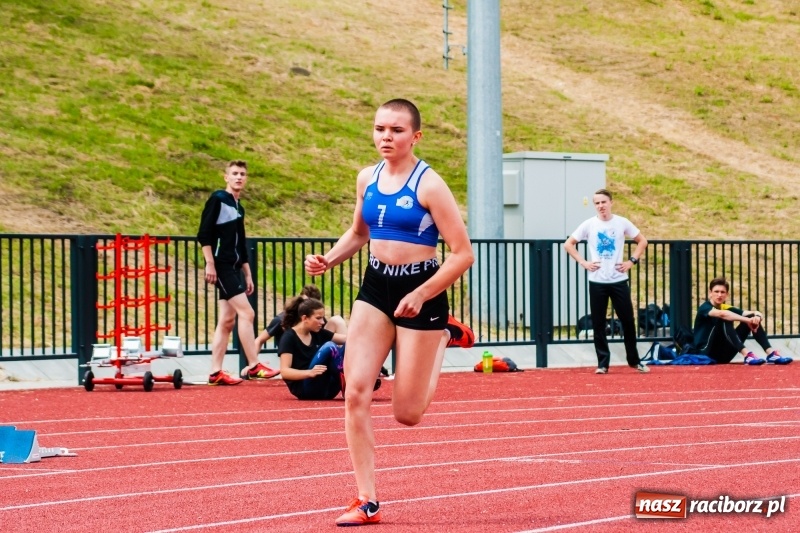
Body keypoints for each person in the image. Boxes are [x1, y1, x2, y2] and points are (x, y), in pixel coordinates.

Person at [304, 98, 474, 526]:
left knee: (407, 414)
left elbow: (461, 254)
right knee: (356, 390)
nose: (386, 137)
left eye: (396, 131)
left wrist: (422, 293)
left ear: (415, 136)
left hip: (422, 291)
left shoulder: (430, 184)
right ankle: (367, 499)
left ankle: (443, 336)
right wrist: (330, 258)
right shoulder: (368, 178)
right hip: (376, 287)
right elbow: (360, 232)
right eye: (380, 129)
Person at [197, 160, 279, 385]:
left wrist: (248, 273)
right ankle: (254, 366)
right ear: (226, 177)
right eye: (234, 173)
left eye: (242, 174)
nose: (239, 177)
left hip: (233, 267)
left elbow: (241, 244)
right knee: (248, 313)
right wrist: (209, 263)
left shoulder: (238, 206)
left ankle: (216, 372)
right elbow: (204, 234)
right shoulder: (218, 199)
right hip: (221, 266)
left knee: (227, 321)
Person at [563, 188, 650, 374]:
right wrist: (583, 262)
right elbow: (568, 244)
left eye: (603, 202)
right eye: (597, 203)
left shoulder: (621, 222)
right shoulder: (589, 224)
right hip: (597, 281)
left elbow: (642, 241)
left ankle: (634, 361)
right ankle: (603, 363)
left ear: (611, 202)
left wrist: (631, 261)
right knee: (598, 323)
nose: (601, 206)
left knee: (627, 320)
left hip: (618, 279)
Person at [693, 277, 793, 365]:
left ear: (727, 294)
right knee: (725, 318)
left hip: (724, 354)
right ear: (710, 293)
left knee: (749, 317)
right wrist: (748, 320)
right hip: (706, 353)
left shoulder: (725, 307)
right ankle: (747, 355)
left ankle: (770, 353)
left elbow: (753, 313)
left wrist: (757, 317)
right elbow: (723, 314)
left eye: (722, 292)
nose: (719, 295)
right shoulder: (704, 308)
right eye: (716, 291)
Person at [252, 284, 348, 374]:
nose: (309, 306)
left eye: (313, 304)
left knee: (337, 321)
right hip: (297, 362)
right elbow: (259, 340)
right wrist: (253, 363)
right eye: (306, 302)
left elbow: (338, 337)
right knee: (329, 346)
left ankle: (350, 368)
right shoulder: (282, 321)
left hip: (315, 356)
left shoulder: (316, 322)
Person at [277, 296, 349, 399]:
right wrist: (309, 373)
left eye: (323, 318)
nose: (323, 322)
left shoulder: (318, 332)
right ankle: (350, 384)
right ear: (305, 318)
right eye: (318, 318)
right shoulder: (289, 337)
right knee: (330, 347)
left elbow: (347, 339)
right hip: (306, 389)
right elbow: (285, 372)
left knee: (350, 344)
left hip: (328, 389)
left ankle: (360, 381)